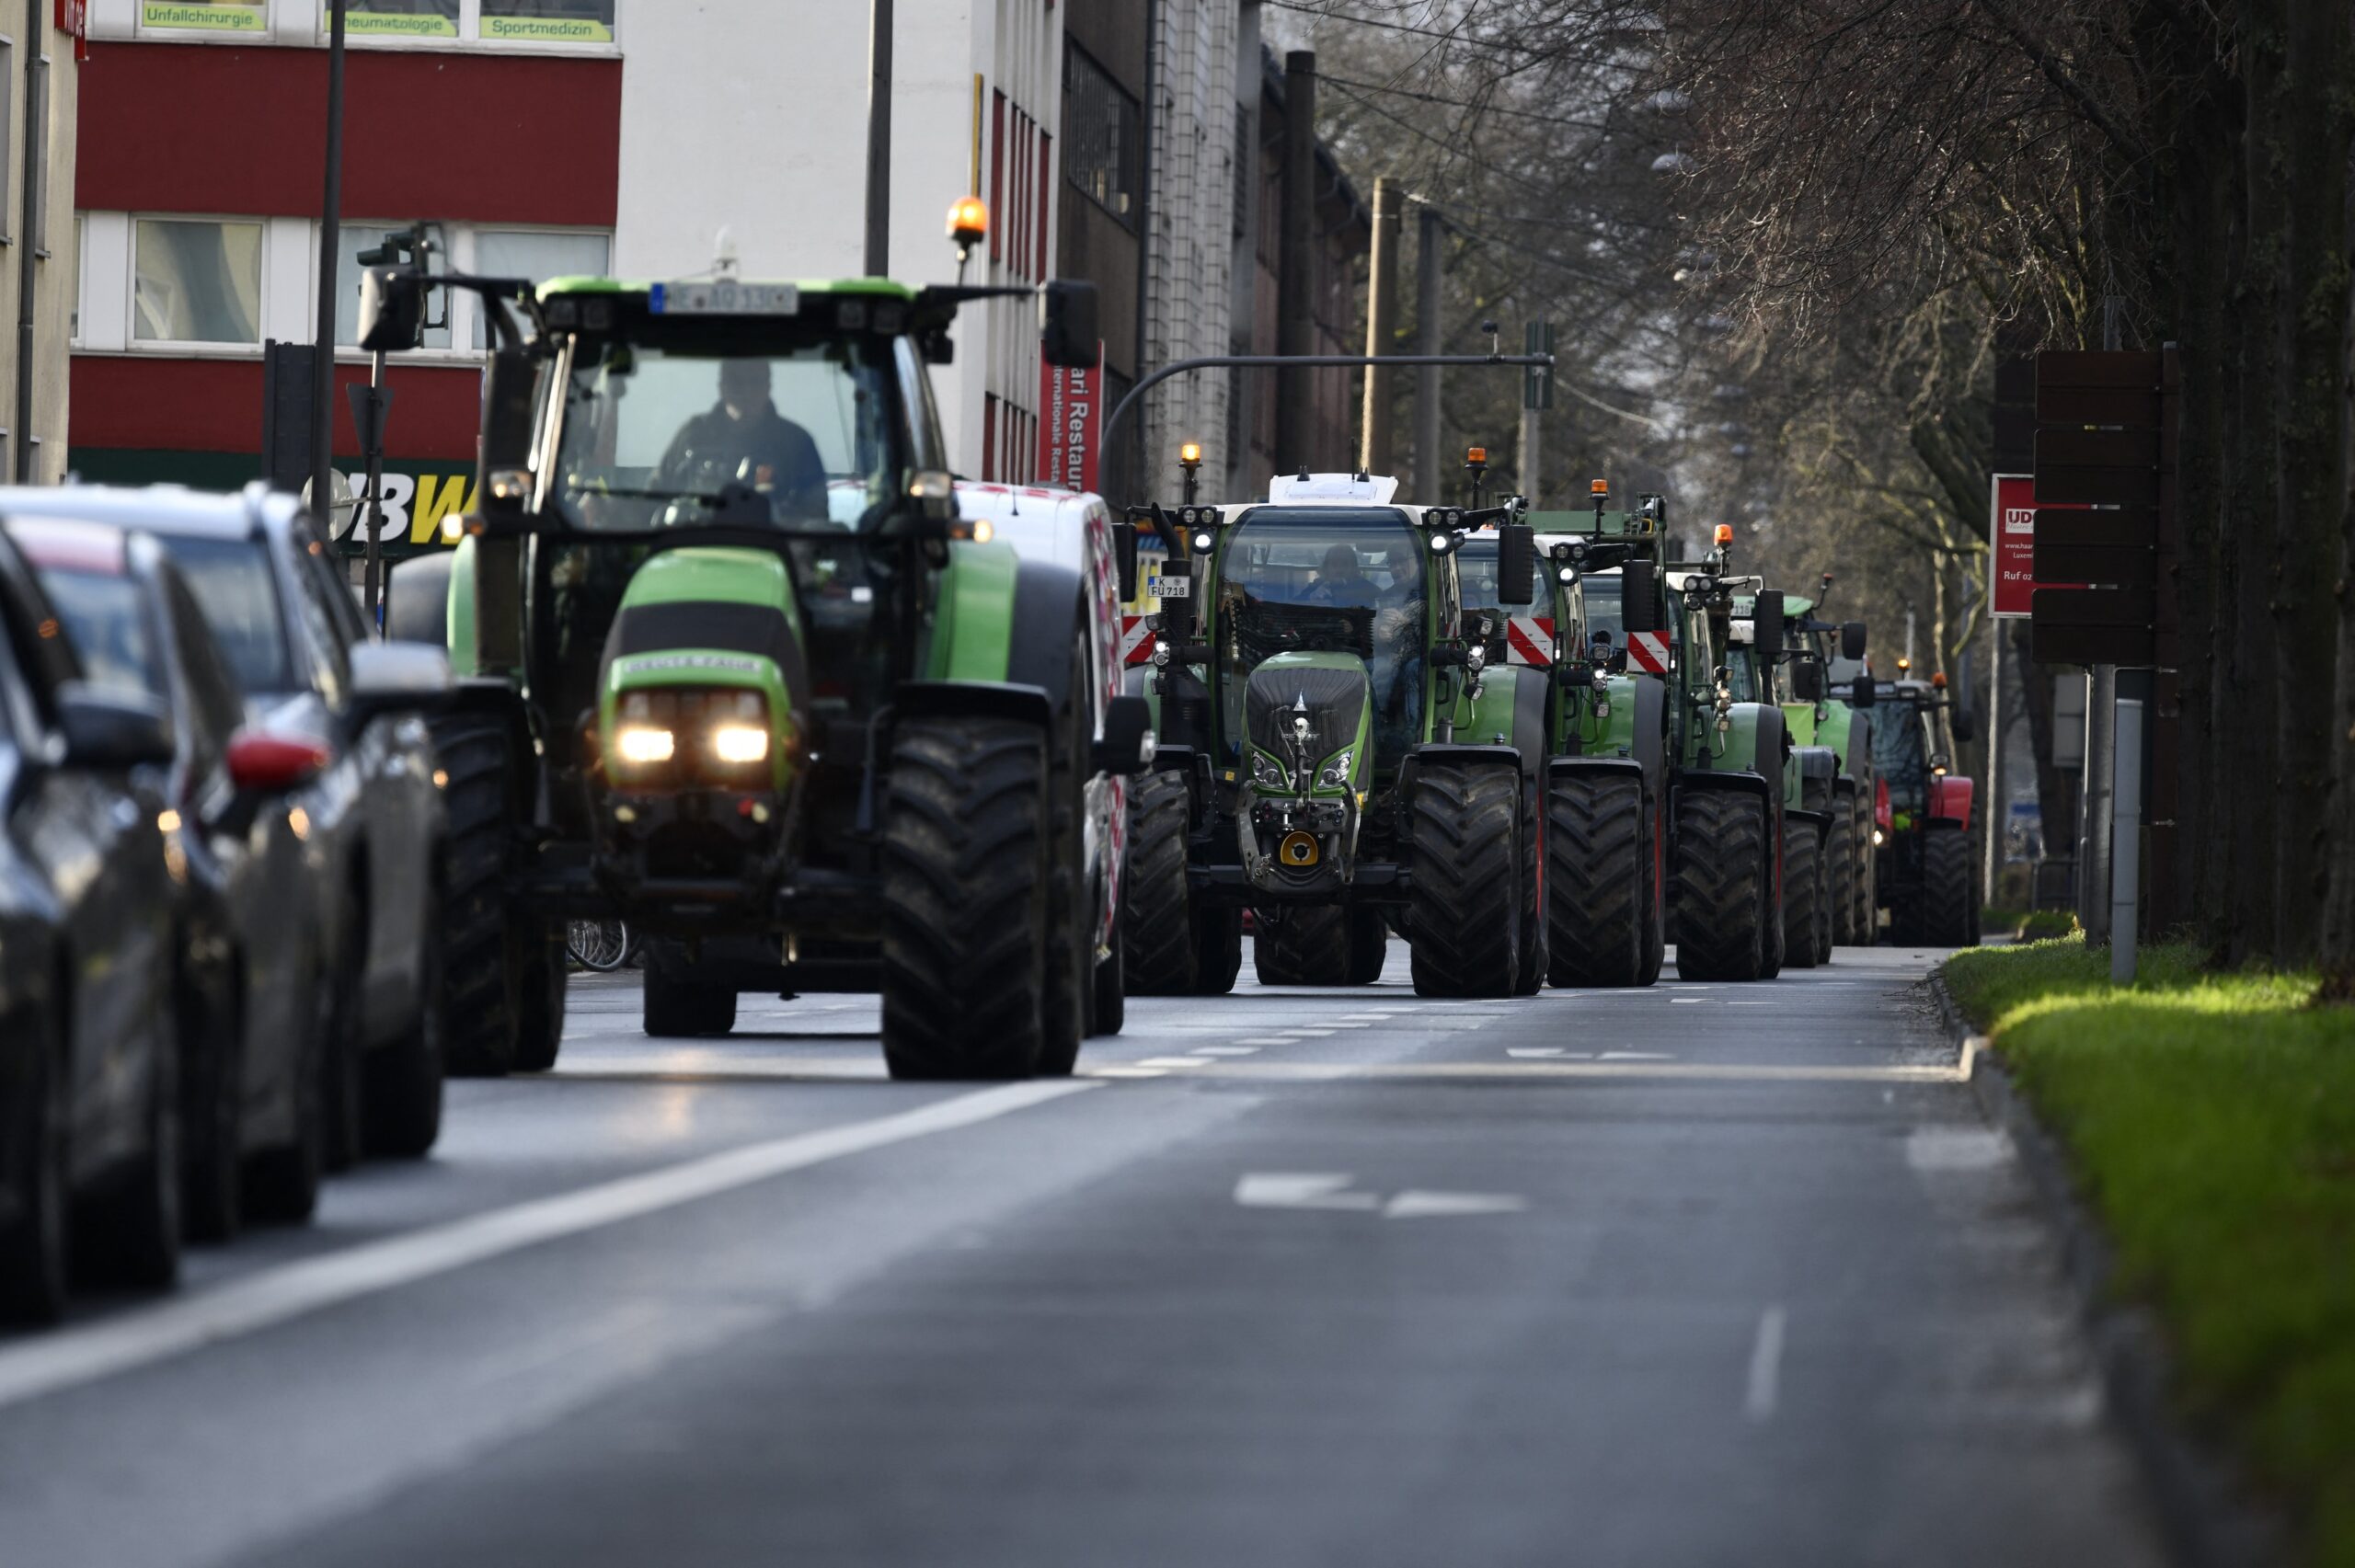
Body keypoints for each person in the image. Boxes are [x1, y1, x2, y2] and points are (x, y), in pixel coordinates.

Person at [657, 359, 828, 517]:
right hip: (694, 542)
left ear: (767, 387)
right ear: (722, 387)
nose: (746, 391)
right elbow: (655, 495)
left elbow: (816, 513)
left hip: (770, 544)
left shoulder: (796, 443)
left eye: (755, 382)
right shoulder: (692, 436)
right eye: (736, 382)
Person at [1305, 542, 1370, 606]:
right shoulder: (1316, 586)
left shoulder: (1365, 588)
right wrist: (1311, 597)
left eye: (1344, 564)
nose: (1339, 569)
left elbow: (1377, 602)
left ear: (1353, 567)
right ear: (1326, 567)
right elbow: (1297, 605)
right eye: (1334, 564)